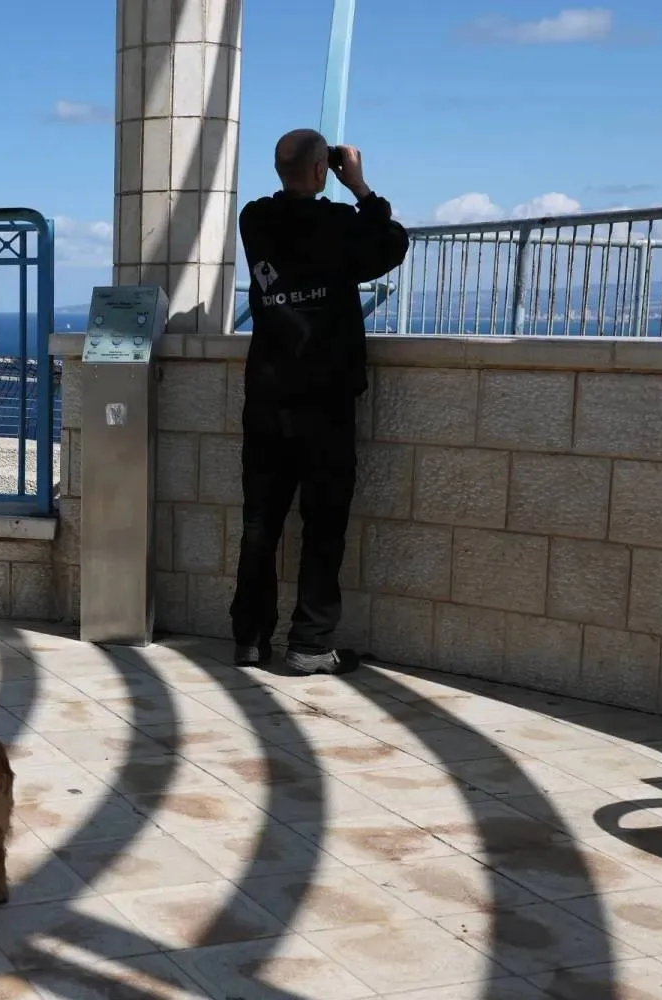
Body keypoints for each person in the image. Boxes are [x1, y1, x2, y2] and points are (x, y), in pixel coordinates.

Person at [230, 129, 409, 674]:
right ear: (320, 171)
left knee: (260, 522)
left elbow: (295, 217)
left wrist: (316, 179)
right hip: (325, 402)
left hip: (266, 398)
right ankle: (309, 643)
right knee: (323, 525)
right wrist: (358, 186)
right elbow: (392, 245)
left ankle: (249, 639)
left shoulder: (254, 220)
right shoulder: (339, 226)